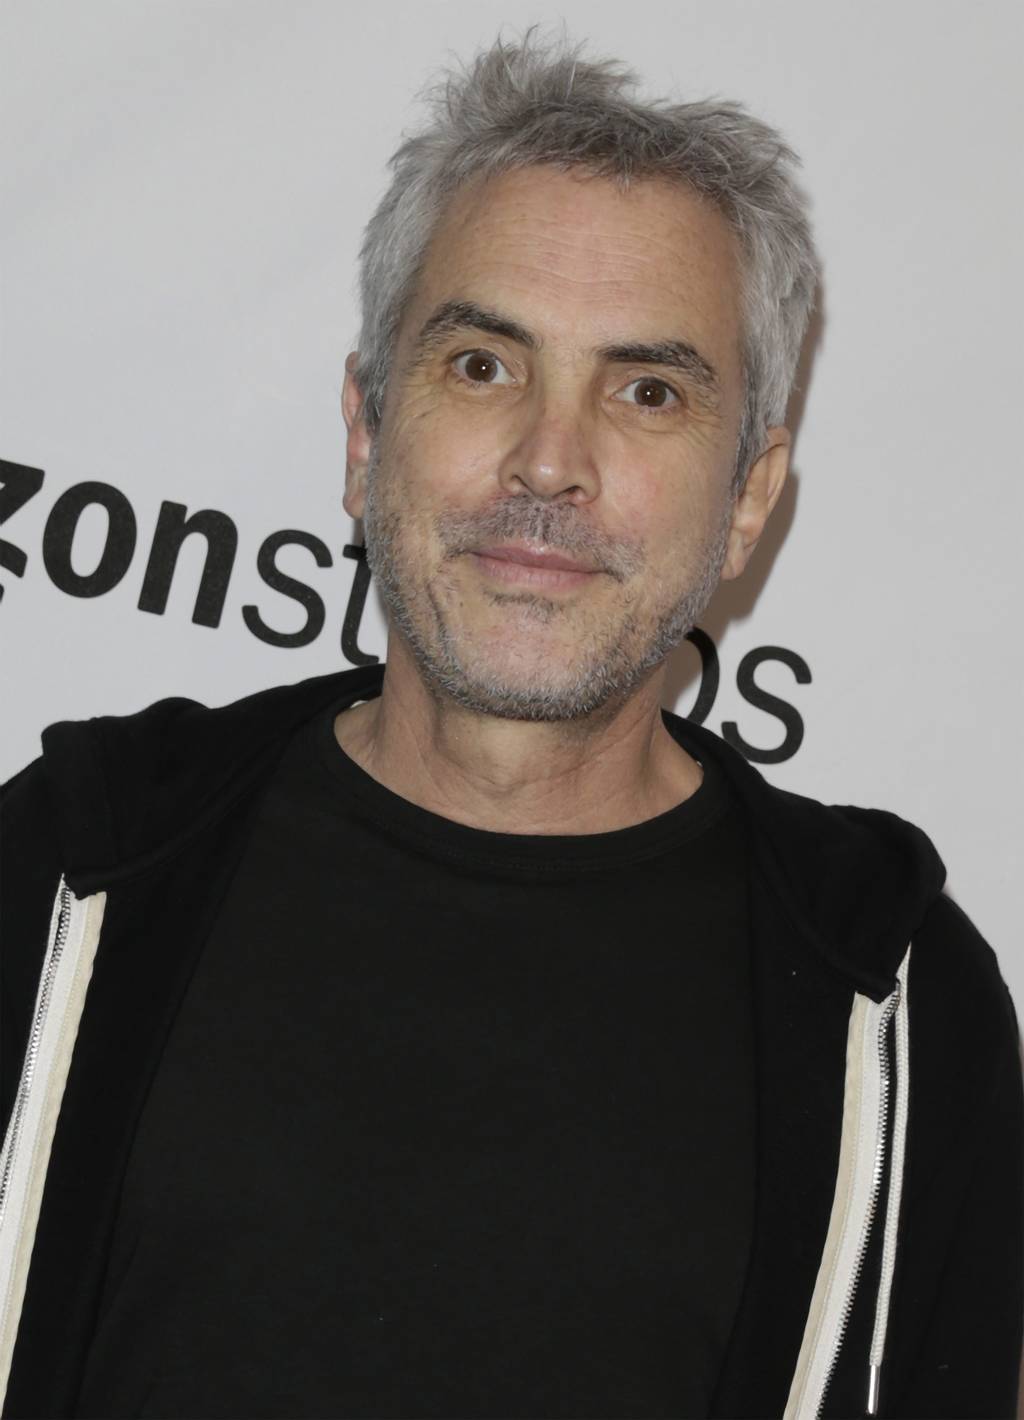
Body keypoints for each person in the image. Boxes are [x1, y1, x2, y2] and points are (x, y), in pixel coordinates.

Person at [1, 29, 1020, 1420]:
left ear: (747, 498)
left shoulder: (895, 1010)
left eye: (647, 391)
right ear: (367, 434)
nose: (550, 461)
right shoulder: (76, 872)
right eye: (483, 366)